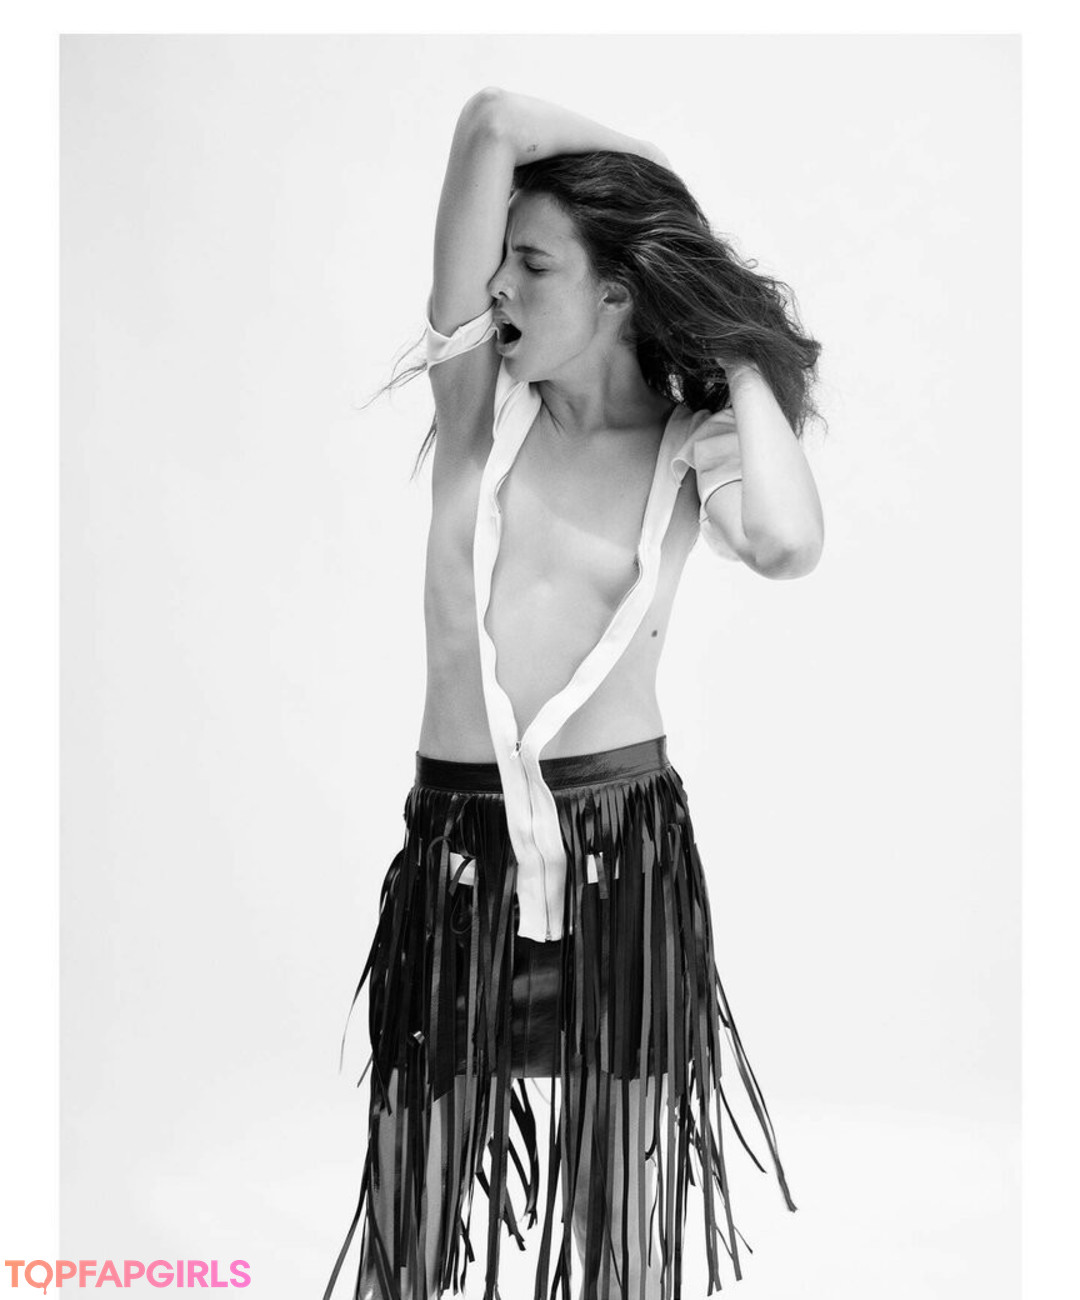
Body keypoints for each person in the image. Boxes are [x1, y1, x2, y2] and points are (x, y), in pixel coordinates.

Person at [324, 87, 824, 1300]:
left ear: (615, 293)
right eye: (500, 259)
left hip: (624, 857)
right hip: (458, 857)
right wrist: (649, 162)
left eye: (533, 265)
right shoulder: (475, 407)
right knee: (410, 1225)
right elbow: (492, 120)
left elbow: (787, 543)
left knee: (623, 1241)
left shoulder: (691, 444)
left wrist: (739, 343)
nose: (498, 285)